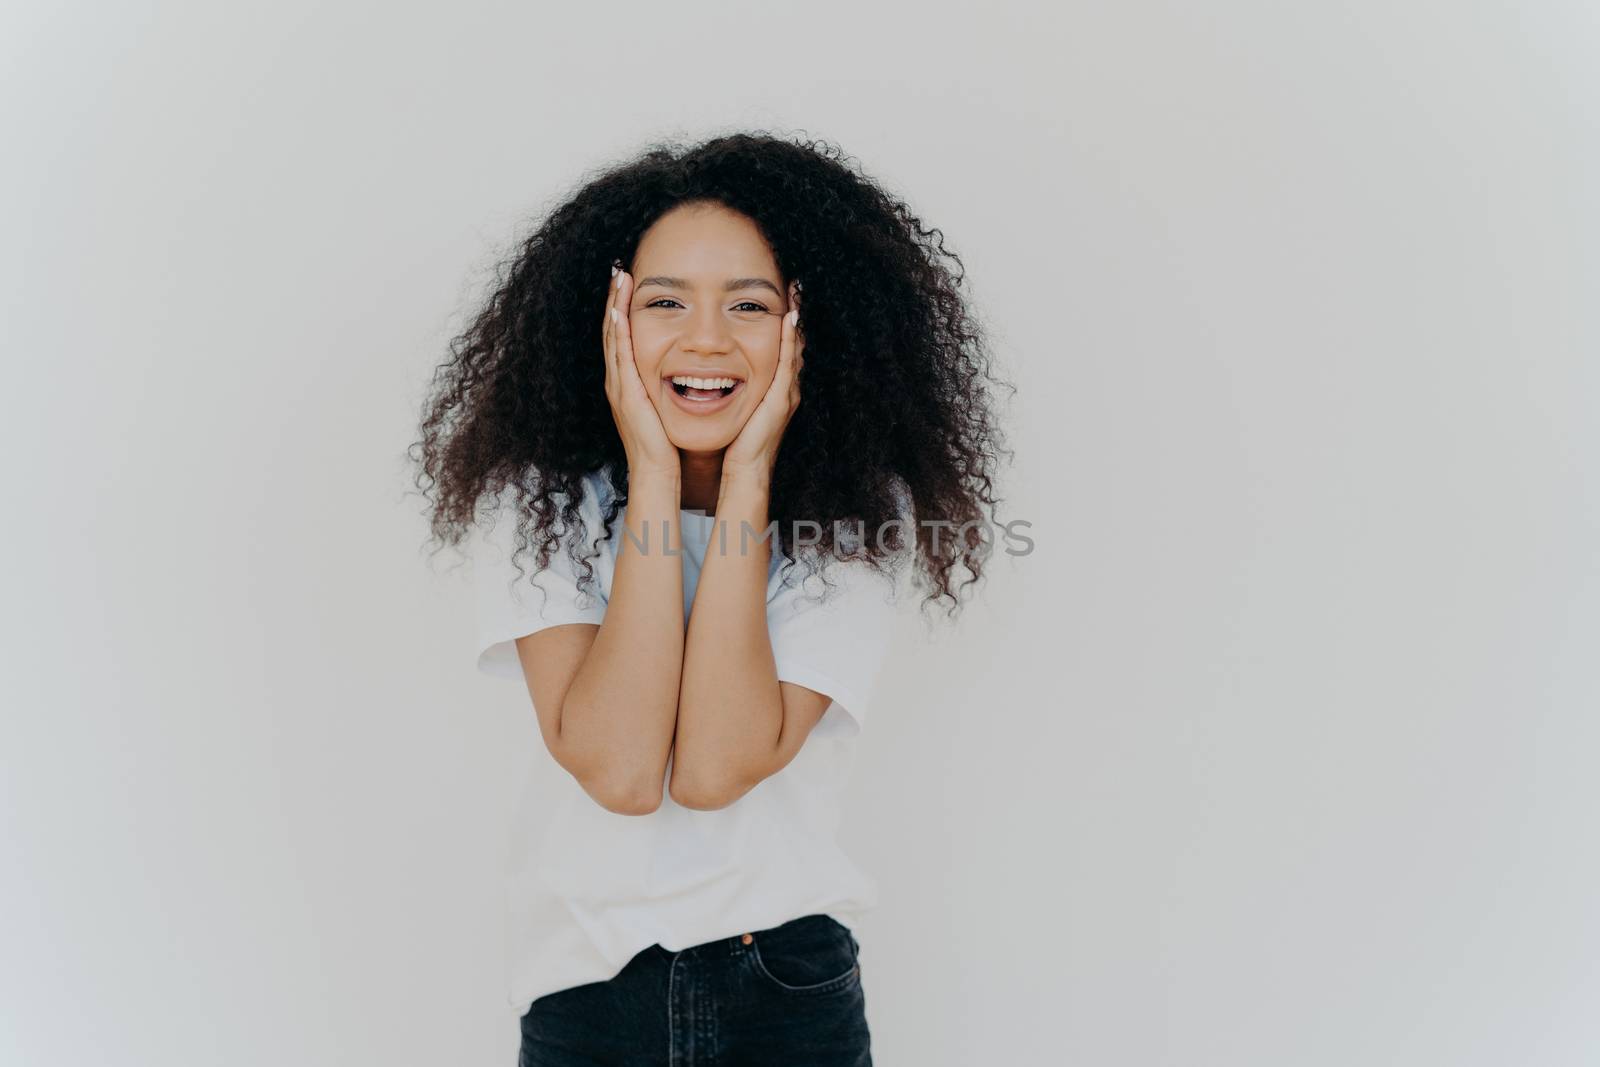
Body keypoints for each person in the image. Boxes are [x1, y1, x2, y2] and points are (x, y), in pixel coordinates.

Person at [411, 131, 1010, 1066]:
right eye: (664, 302)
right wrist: (652, 470)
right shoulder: (538, 500)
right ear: (609, 318)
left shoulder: (855, 512)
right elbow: (619, 770)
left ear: (807, 326)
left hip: (788, 984)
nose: (705, 339)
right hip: (585, 991)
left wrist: (749, 475)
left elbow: (716, 766)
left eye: (749, 304)